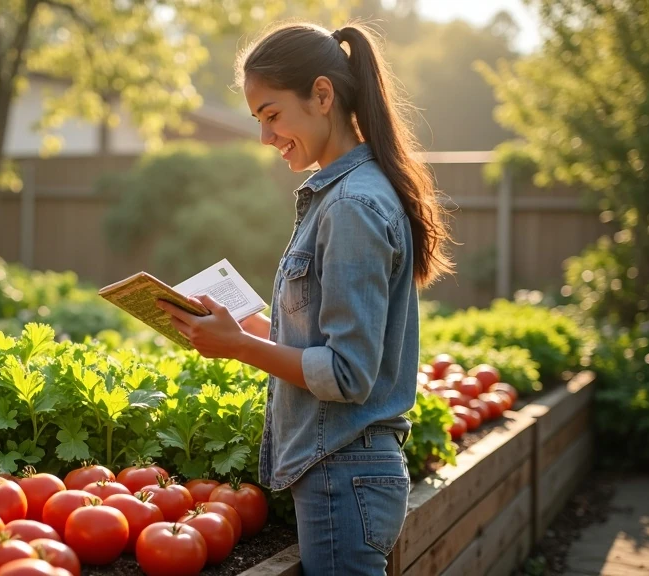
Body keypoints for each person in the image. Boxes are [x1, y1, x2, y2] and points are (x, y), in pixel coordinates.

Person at [156, 21, 455, 575]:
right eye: (259, 121)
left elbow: (347, 375)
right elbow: (328, 343)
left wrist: (238, 348)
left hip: (344, 473)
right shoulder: (347, 195)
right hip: (347, 472)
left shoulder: (350, 208)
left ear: (322, 95)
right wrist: (249, 329)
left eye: (272, 115)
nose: (266, 137)